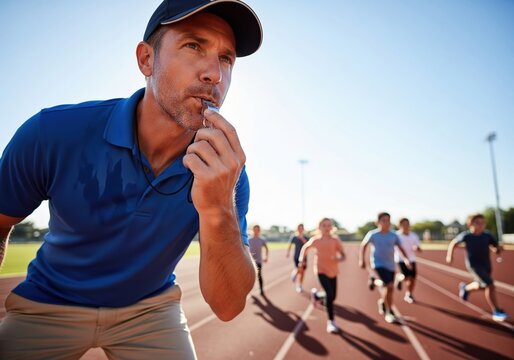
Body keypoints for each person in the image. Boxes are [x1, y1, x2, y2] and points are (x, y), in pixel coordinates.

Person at [0, 1, 263, 358]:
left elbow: (228, 307)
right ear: (146, 60)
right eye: (193, 46)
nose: (215, 73)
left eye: (227, 58)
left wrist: (218, 208)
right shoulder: (52, 132)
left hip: (150, 309)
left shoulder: (226, 172)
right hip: (50, 301)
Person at [446, 213, 508, 322]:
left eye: (482, 223)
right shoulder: (466, 235)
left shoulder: (488, 235)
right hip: (474, 266)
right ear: (470, 224)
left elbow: (495, 249)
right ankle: (496, 311)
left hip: (486, 265)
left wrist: (499, 249)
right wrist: (449, 256)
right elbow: (453, 243)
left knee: (483, 286)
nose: (481, 225)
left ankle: (465, 288)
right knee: (490, 285)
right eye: (477, 222)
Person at [358, 212, 411, 324]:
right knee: (390, 286)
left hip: (390, 265)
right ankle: (389, 312)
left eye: (388, 220)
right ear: (378, 222)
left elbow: (401, 248)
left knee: (389, 288)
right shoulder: (373, 234)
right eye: (384, 220)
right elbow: (363, 245)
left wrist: (406, 260)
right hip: (378, 264)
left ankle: (380, 296)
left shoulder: (393, 235)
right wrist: (361, 260)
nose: (387, 223)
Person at [298, 218, 345, 333]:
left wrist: (338, 258)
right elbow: (305, 248)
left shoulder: (335, 240)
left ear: (332, 227)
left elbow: (343, 255)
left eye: (329, 225)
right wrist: (301, 260)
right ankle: (331, 322)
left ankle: (317, 296)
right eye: (324, 225)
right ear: (319, 228)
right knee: (329, 295)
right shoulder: (316, 240)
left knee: (333, 296)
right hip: (320, 271)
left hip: (333, 271)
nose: (327, 227)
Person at [394, 218, 421, 304]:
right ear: (400, 225)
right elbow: (396, 247)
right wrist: (405, 259)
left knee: (413, 278)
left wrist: (417, 248)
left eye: (407, 224)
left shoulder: (414, 236)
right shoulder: (396, 235)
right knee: (407, 277)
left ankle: (409, 294)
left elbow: (418, 247)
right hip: (401, 259)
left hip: (412, 259)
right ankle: (401, 277)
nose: (406, 226)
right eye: (404, 224)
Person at [286, 223, 308, 293]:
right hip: (296, 256)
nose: (300, 229)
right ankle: (295, 273)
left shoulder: (306, 237)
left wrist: (302, 238)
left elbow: (307, 245)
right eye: (299, 228)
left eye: (301, 228)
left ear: (303, 229)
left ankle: (300, 284)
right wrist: (288, 252)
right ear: (297, 229)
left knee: (302, 272)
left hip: (304, 257)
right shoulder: (294, 237)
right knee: (299, 269)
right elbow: (290, 245)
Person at [249, 225, 269, 296]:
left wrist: (266, 257)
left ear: (259, 231)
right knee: (250, 277)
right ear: (253, 230)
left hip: (258, 261)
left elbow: (266, 249)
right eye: (255, 230)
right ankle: (249, 290)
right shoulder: (249, 240)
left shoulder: (262, 240)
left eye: (257, 230)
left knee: (259, 275)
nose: (256, 231)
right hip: (250, 262)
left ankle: (261, 289)